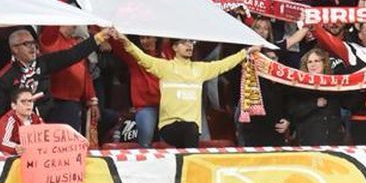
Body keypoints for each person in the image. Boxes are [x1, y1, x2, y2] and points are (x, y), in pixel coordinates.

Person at [105, 30, 257, 147]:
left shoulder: (200, 69)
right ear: (175, 47)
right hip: (169, 126)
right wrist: (123, 40)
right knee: (190, 128)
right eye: (184, 43)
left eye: (190, 42)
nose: (189, 45)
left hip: (191, 130)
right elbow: (140, 56)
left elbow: (224, 64)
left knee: (192, 129)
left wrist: (245, 53)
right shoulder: (165, 67)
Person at [0, 86, 42, 154]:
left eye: (30, 101)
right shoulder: (8, 120)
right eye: (23, 101)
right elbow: (3, 143)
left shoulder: (36, 119)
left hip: (20, 152)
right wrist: (16, 147)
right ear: (14, 106)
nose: (28, 104)